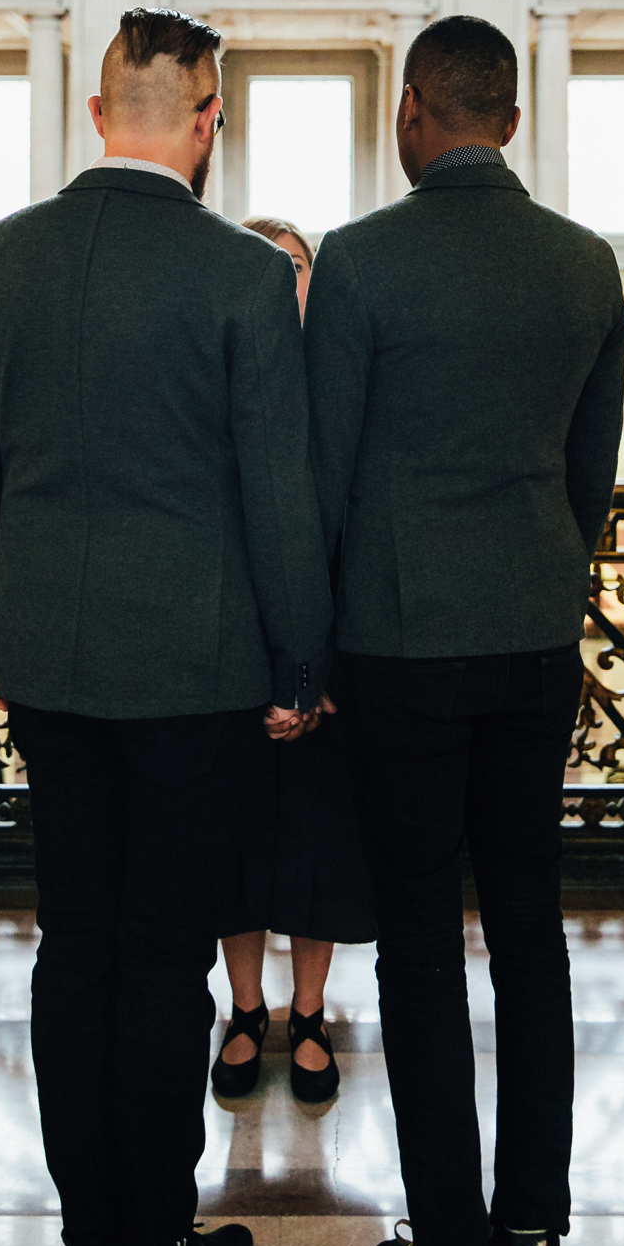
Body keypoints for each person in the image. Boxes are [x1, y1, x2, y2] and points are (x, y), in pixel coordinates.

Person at [0, 8, 333, 1246]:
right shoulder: (234, 278)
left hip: (44, 666)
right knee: (164, 962)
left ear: (99, 112)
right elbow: (277, 494)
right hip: (196, 675)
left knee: (73, 954)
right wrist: (300, 659)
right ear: (207, 117)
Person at [304, 14, 624, 1246]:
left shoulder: (364, 265)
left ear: (415, 110)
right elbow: (591, 473)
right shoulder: (583, 264)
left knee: (424, 947)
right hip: (532, 638)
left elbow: (323, 474)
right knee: (535, 934)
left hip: (396, 646)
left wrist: (304, 650)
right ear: (512, 114)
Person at [212, 217, 375, 1107]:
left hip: (336, 665)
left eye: (295, 268)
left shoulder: (341, 377)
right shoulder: (219, 373)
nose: (280, 282)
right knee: (234, 847)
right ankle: (244, 1010)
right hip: (232, 664)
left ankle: (307, 1013)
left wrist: (321, 676)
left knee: (322, 847)